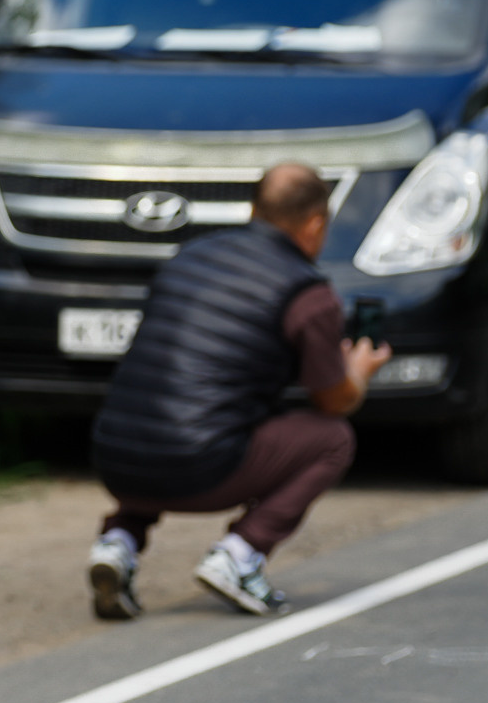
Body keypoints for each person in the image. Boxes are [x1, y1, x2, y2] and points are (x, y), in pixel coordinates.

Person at [84, 163, 389, 619]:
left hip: (115, 455)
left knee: (165, 412)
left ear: (254, 210)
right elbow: (333, 400)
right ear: (315, 223)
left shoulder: (190, 256)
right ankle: (240, 555)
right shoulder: (308, 294)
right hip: (200, 468)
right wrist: (358, 371)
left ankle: (118, 543)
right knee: (332, 439)